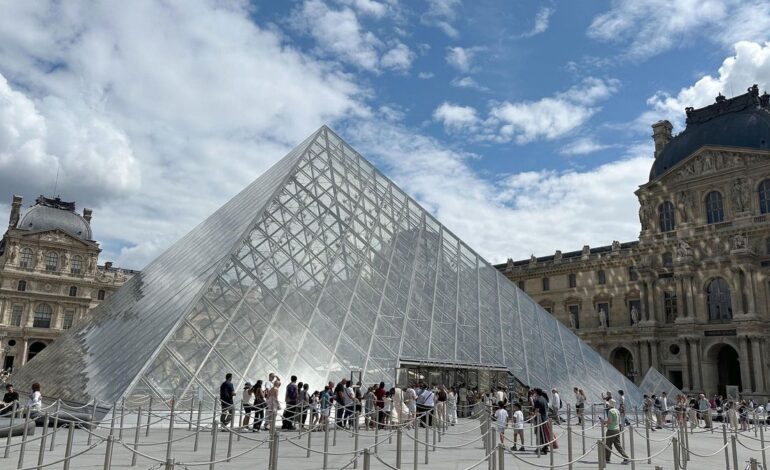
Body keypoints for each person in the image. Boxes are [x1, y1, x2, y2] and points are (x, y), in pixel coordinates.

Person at [601, 399, 630, 464]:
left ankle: (607, 459)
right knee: (618, 445)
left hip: (611, 430)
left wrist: (604, 422)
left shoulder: (610, 411)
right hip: (617, 429)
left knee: (608, 445)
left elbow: (610, 421)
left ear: (609, 404)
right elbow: (617, 421)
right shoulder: (617, 410)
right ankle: (626, 457)